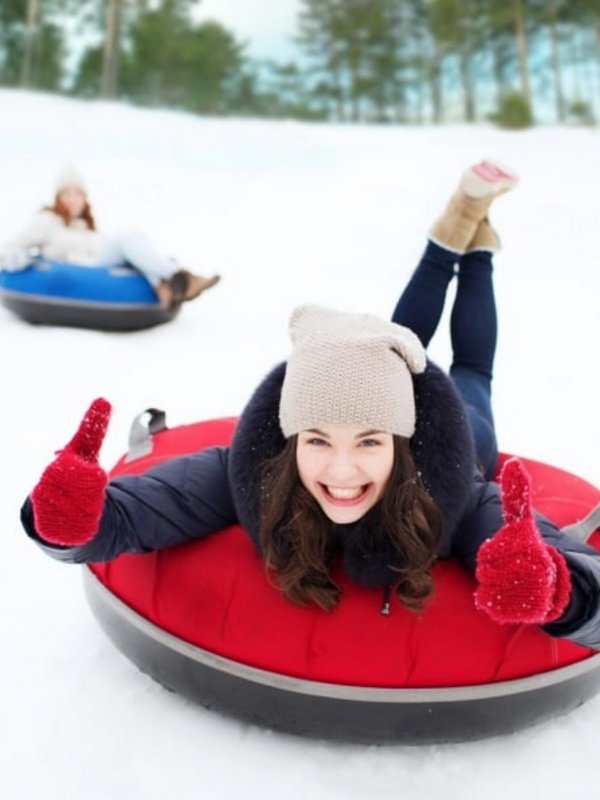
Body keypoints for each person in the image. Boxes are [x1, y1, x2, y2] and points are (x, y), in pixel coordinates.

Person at [20, 161, 600, 650]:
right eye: (318, 440)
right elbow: (129, 516)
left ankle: (476, 252)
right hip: (373, 386)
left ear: (398, 443)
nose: (341, 470)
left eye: (370, 442)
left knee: (471, 369)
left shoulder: (458, 496)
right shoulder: (247, 472)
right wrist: (64, 525)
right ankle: (463, 224)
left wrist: (559, 590)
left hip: (463, 434)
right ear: (291, 438)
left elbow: (578, 582)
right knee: (401, 340)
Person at [0, 165, 220, 308]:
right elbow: (13, 246)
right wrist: (17, 258)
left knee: (134, 238)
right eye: (66, 194)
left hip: (101, 270)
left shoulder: (87, 227)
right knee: (126, 238)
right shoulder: (47, 221)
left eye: (78, 194)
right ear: (57, 197)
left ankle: (165, 286)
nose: (72, 199)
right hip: (80, 273)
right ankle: (180, 278)